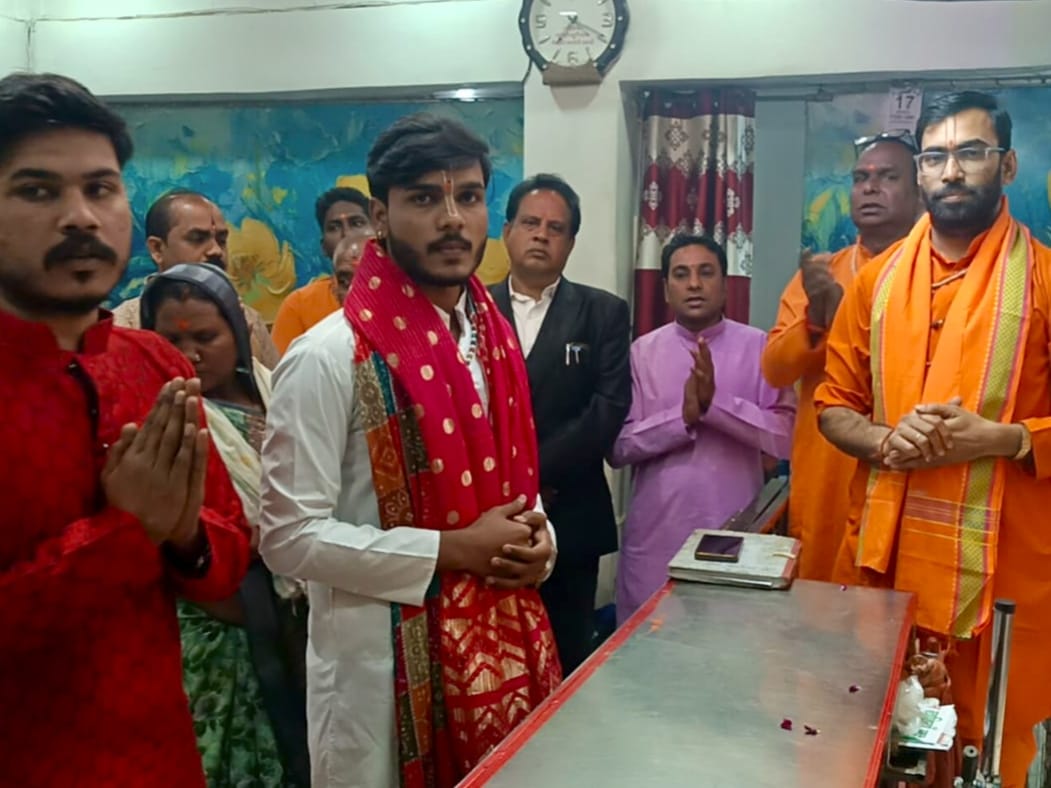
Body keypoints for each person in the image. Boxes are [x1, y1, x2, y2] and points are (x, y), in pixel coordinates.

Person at [259, 113, 561, 788]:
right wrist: (449, 550)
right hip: (379, 678)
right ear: (380, 216)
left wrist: (540, 543)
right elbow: (287, 538)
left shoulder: (494, 341)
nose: (452, 219)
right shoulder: (328, 356)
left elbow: (513, 484)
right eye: (424, 198)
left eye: (469, 197)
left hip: (502, 657)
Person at [0, 72, 250, 786]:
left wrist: (184, 533)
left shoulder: (154, 364)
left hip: (162, 755)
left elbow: (228, 554)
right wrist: (126, 531)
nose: (80, 217)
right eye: (38, 191)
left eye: (101, 188)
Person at [815, 91, 1051, 787]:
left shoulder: (1043, 280)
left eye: (971, 153)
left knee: (992, 753)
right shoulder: (874, 283)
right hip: (884, 575)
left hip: (1004, 586)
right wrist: (886, 441)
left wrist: (1002, 439)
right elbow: (833, 405)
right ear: (920, 170)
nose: (951, 171)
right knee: (881, 750)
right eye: (935, 156)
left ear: (1006, 165)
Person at [141, 263, 310, 788]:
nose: (188, 354)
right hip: (214, 622)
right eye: (170, 340)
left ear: (237, 332)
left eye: (205, 337)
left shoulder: (277, 388)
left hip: (301, 600)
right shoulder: (158, 418)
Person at [610, 234, 795, 623]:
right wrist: (683, 418)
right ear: (666, 289)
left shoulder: (760, 348)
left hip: (735, 536)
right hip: (656, 539)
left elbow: (786, 438)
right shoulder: (642, 352)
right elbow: (619, 447)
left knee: (727, 648)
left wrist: (717, 406)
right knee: (648, 648)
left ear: (725, 284)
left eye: (706, 272)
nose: (694, 284)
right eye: (681, 274)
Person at [762, 132, 921, 581]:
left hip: (904, 465)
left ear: (920, 193)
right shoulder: (823, 272)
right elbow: (775, 369)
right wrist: (817, 317)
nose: (870, 188)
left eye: (887, 177)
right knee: (822, 604)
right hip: (827, 471)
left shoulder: (938, 273)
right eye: (860, 178)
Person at [489, 173, 631, 673]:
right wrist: (508, 485)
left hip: (569, 512)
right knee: (495, 658)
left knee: (566, 659)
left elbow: (607, 410)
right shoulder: (470, 309)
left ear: (571, 242)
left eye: (556, 228)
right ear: (507, 231)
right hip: (486, 514)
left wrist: (531, 475)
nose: (541, 235)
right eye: (530, 223)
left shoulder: (603, 312)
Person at [111, 188, 280, 368]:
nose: (216, 251)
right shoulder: (120, 328)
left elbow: (271, 385)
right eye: (197, 239)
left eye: (221, 240)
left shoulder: (250, 320)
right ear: (157, 249)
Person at [271, 233, 369, 354]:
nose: (354, 293)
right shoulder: (317, 348)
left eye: (367, 281)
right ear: (335, 288)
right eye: (344, 282)